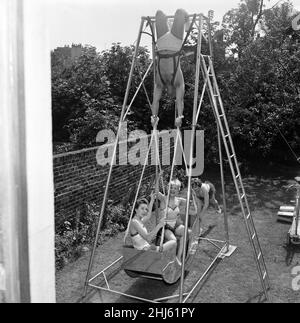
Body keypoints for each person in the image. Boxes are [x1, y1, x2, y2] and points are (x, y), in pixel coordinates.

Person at [151, 9, 191, 128]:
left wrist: (154, 117)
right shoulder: (178, 83)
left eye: (168, 95)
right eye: (172, 95)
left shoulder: (159, 84)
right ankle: (187, 23)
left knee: (158, 13)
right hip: (175, 44)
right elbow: (180, 101)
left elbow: (155, 101)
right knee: (180, 12)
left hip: (162, 43)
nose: (170, 95)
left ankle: (168, 24)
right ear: (174, 92)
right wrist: (179, 116)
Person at [155, 179, 198, 265]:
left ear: (178, 190)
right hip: (165, 226)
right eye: (171, 188)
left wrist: (193, 195)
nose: (172, 190)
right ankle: (171, 256)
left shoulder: (179, 200)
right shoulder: (164, 198)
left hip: (175, 225)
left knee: (187, 232)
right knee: (173, 240)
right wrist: (158, 178)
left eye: (175, 188)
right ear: (168, 189)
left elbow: (191, 203)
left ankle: (178, 256)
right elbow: (156, 191)